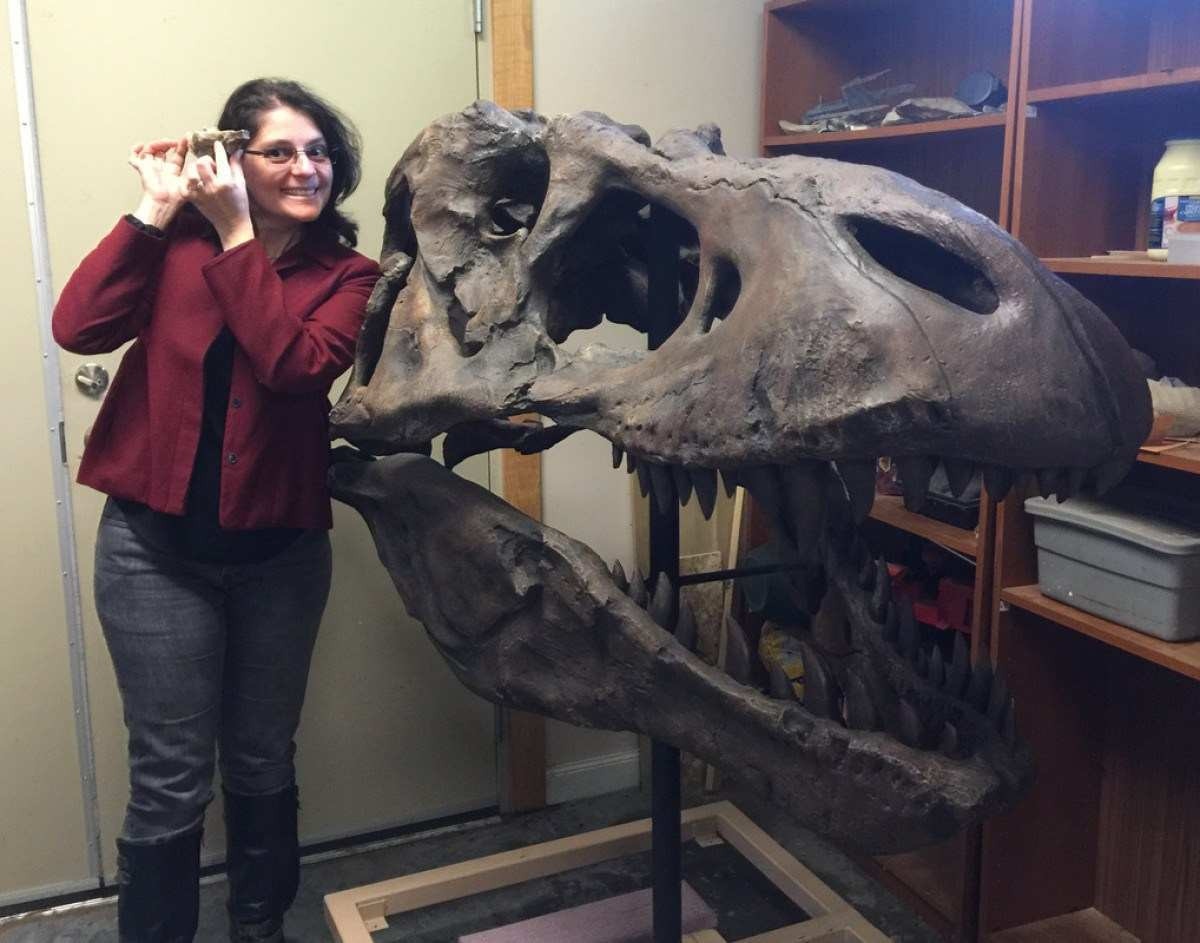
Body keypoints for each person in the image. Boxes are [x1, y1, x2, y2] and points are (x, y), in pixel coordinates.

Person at [52, 78, 380, 943]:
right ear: (236, 158)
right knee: (169, 774)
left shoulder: (349, 274)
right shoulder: (175, 249)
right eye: (281, 151)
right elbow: (78, 328)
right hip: (153, 552)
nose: (307, 168)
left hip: (280, 556)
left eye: (319, 153)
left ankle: (258, 928)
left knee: (263, 754)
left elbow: (295, 365)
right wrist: (152, 214)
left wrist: (237, 232)